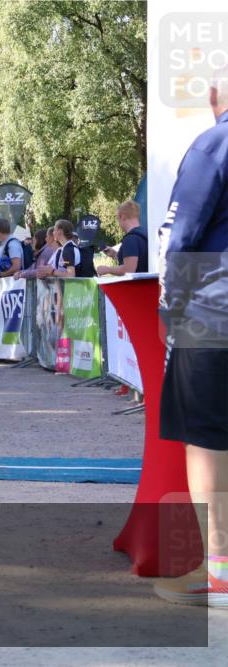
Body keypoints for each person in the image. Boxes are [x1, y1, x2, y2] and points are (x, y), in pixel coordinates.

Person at [153, 69, 228, 609]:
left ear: (214, 95)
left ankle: (220, 572)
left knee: (207, 439)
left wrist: (168, 306)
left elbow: (179, 238)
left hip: (213, 314)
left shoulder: (212, 145)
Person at [98, 200, 148, 276]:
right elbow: (139, 261)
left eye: (118, 219)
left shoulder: (130, 239)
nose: (119, 223)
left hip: (137, 283)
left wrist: (107, 269)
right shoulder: (146, 234)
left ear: (123, 217)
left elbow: (128, 270)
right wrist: (115, 254)